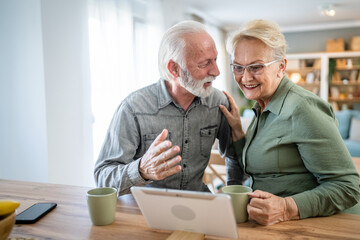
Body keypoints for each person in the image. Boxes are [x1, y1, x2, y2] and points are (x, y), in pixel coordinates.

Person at [219, 19, 360, 226]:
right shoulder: (262, 106)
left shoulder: (303, 108)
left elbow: (348, 186)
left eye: (256, 67)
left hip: (315, 228)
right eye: (238, 67)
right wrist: (239, 133)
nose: (245, 77)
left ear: (281, 66)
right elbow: (260, 164)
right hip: (274, 227)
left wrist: (286, 208)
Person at [94, 20, 236, 196]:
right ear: (174, 69)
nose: (216, 71)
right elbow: (102, 178)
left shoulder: (218, 103)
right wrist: (140, 170)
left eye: (215, 60)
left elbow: (234, 156)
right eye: (204, 64)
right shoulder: (133, 108)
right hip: (144, 209)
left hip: (199, 205)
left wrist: (232, 193)